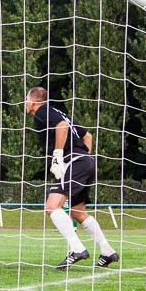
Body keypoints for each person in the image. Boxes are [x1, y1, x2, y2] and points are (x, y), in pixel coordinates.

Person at [26, 86, 118, 268]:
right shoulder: (58, 112)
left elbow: (62, 126)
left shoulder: (42, 112)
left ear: (33, 101)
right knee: (77, 212)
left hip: (73, 162)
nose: (25, 104)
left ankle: (77, 248)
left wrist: (58, 156)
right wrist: (83, 158)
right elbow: (87, 136)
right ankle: (107, 251)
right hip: (86, 162)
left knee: (52, 206)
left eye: (26, 99)